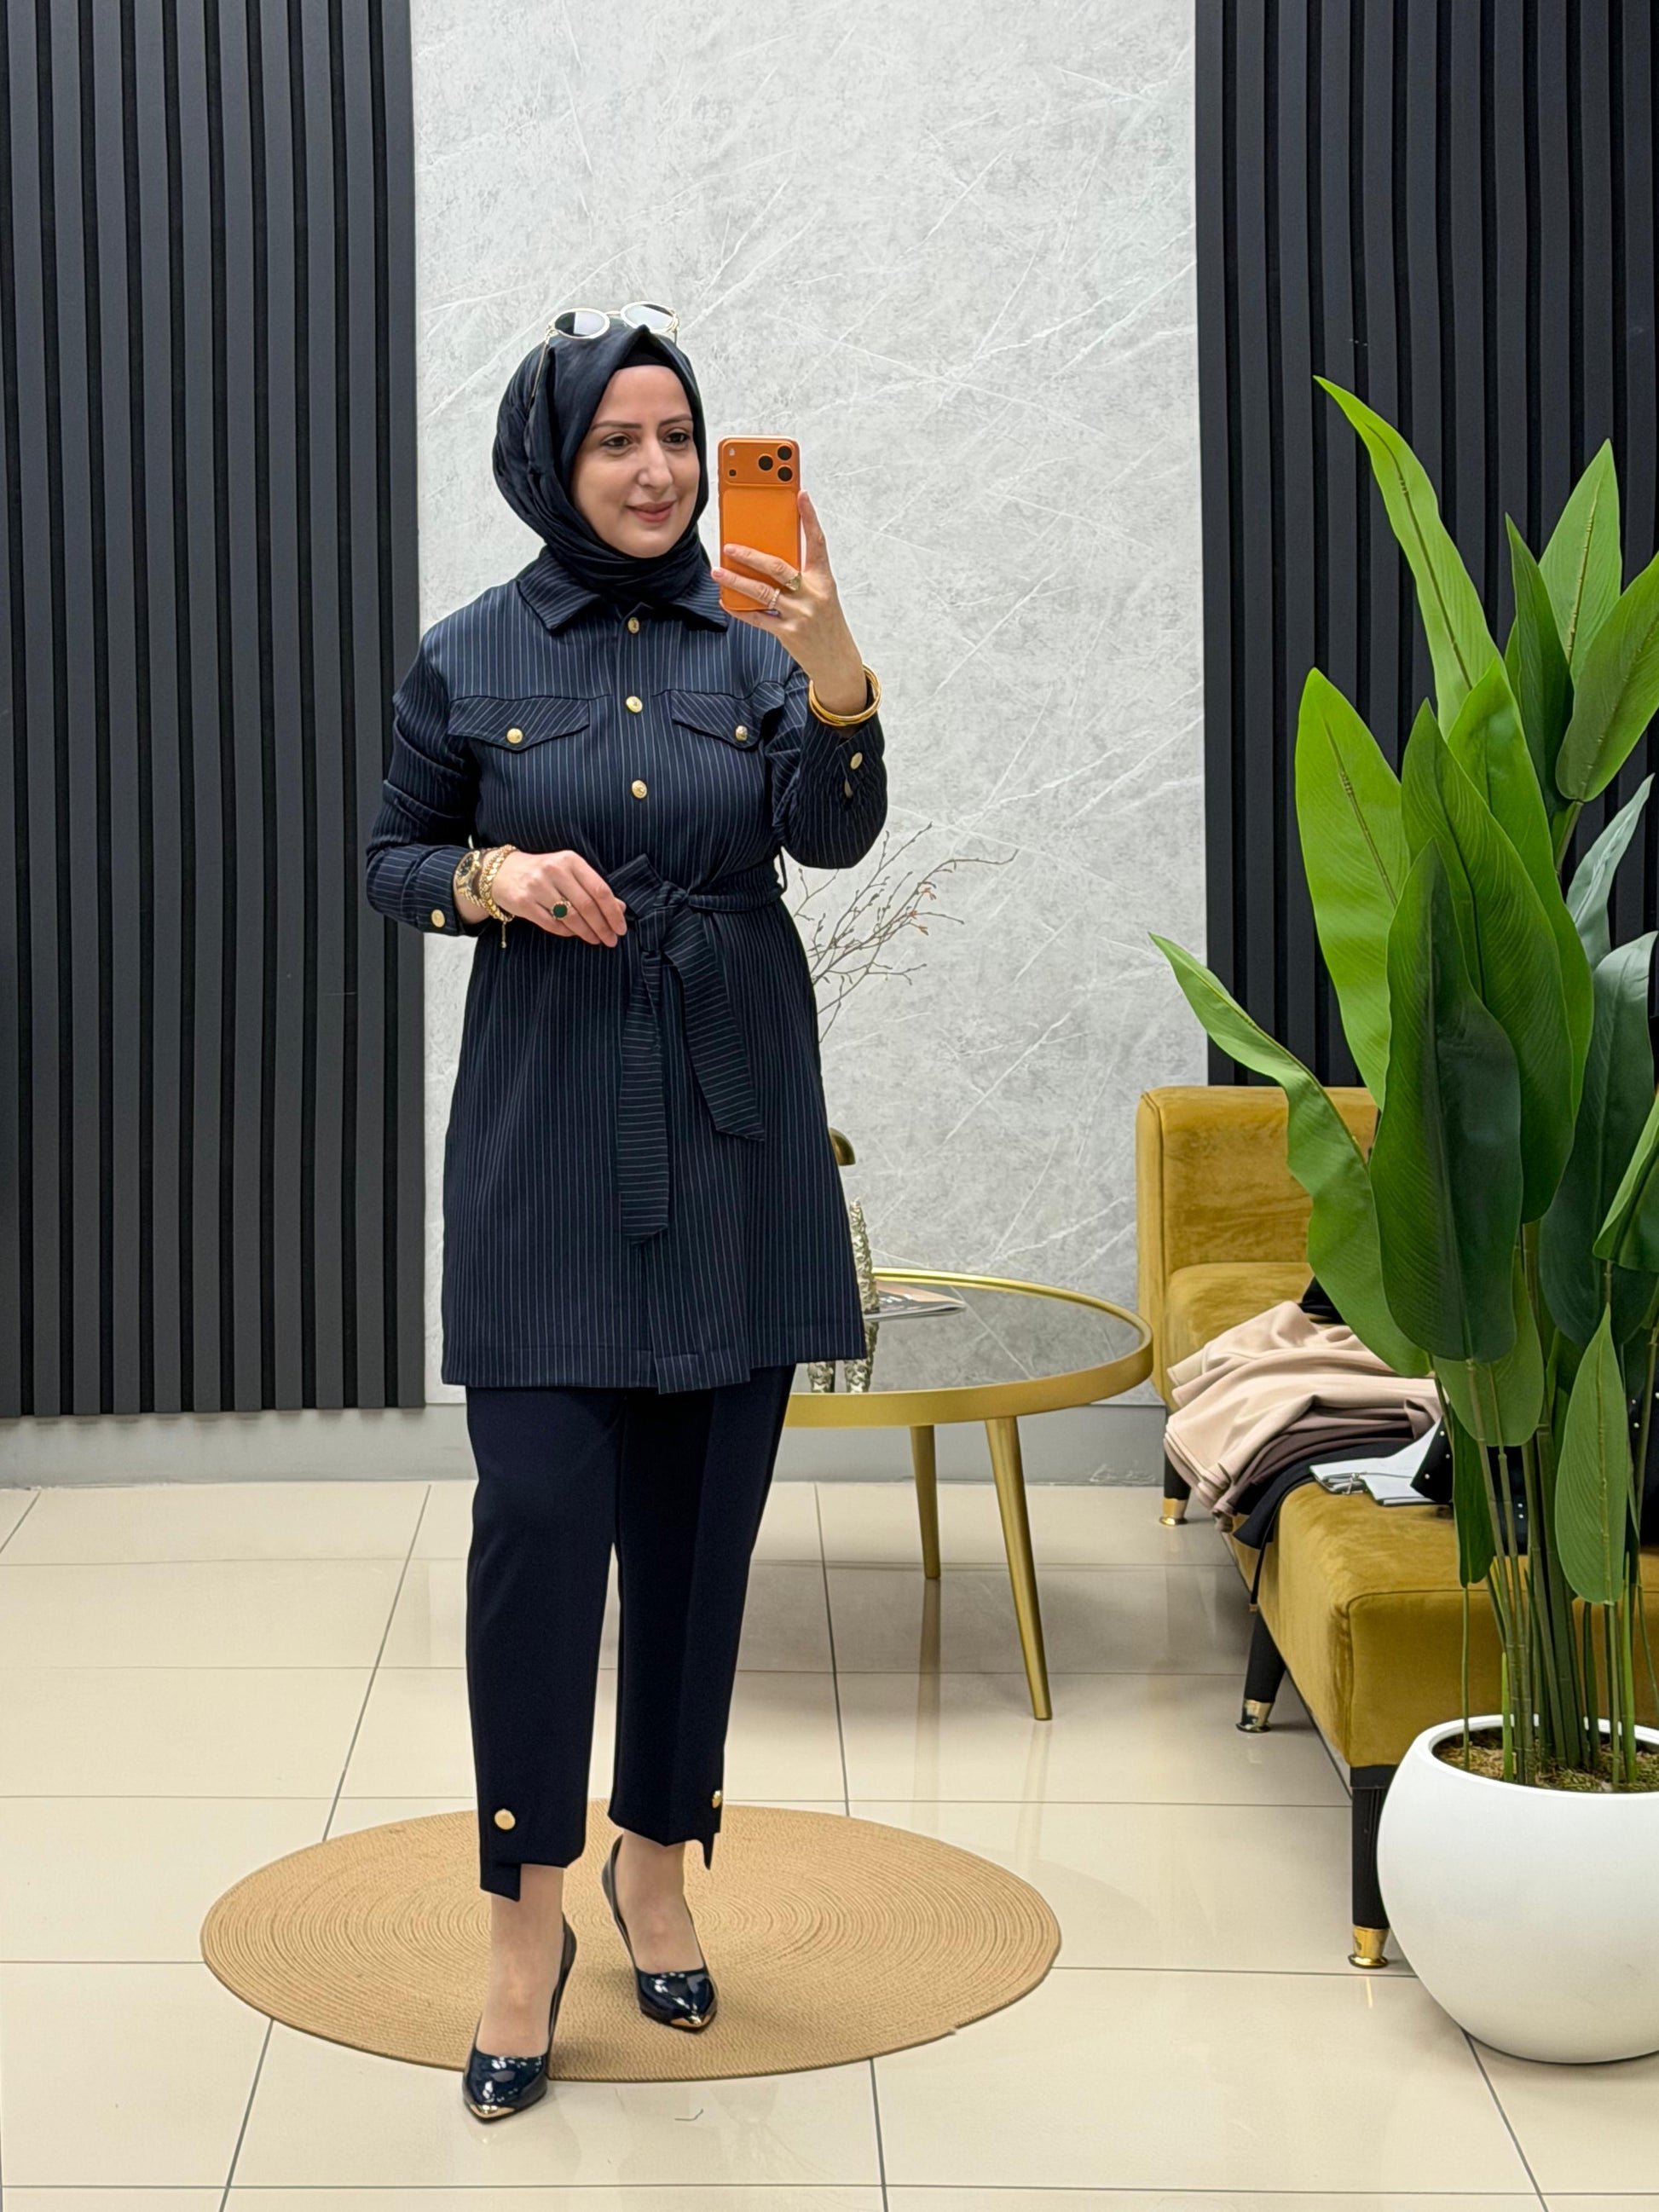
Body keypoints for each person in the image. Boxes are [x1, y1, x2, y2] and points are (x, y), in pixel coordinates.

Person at [361, 303, 887, 2120]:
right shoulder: (467, 651)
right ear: (553, 458)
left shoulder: (759, 637)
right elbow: (391, 856)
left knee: (696, 1539)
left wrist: (836, 668)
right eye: (617, 440)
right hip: (544, 1141)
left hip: (732, 1132)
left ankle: (654, 1868)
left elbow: (833, 835)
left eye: (678, 436)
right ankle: (525, 1927)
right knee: (536, 1530)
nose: (657, 470)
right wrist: (492, 876)